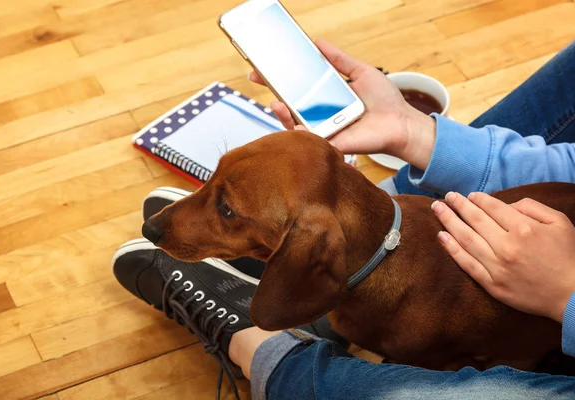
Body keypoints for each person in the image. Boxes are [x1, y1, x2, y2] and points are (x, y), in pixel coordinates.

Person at [113, 40, 575, 399]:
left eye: (225, 208)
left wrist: (565, 298)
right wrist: (412, 130)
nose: (168, 225)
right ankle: (287, 279)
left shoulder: (416, 327)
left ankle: (256, 343)